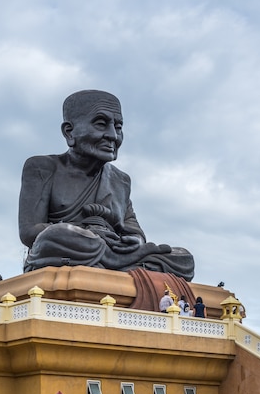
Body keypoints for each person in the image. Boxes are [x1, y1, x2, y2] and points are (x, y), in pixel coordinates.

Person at [19, 90, 194, 279]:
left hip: (114, 251)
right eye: (101, 124)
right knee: (57, 234)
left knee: (183, 258)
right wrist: (89, 234)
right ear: (69, 132)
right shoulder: (42, 167)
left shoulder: (121, 180)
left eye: (118, 127)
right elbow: (29, 232)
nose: (112, 135)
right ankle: (116, 265)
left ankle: (112, 263)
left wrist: (132, 241)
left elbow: (134, 231)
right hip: (71, 245)